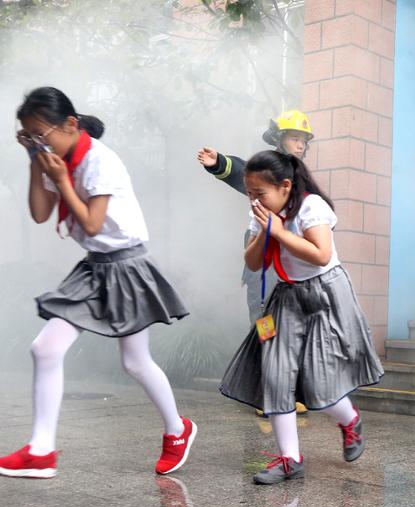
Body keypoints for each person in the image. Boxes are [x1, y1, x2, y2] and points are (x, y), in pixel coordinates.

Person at [0, 87, 195, 479]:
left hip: (129, 267)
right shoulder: (58, 160)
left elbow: (91, 222)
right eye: (30, 136)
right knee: (45, 348)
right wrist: (34, 160)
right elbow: (40, 213)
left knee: (135, 362)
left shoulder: (100, 161)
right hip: (95, 268)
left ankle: (178, 429)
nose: (39, 143)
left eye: (41, 134)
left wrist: (60, 179)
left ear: (70, 124)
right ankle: (41, 451)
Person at [219, 151, 384, 485]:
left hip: (326, 294)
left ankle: (350, 420)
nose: (254, 200)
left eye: (259, 193)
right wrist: (265, 231)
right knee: (276, 376)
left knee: (319, 383)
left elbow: (321, 255)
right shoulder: (261, 213)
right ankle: (290, 460)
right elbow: (253, 263)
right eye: (249, 193)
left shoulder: (311, 206)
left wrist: (279, 232)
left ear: (284, 186)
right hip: (287, 295)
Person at [197, 109, 313, 416]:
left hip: (290, 266)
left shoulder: (299, 176)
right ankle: (265, 395)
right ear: (279, 138)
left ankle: (286, 393)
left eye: (303, 140)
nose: (300, 144)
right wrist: (219, 163)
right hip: (264, 266)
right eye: (294, 138)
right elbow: (242, 171)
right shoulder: (267, 169)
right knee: (265, 327)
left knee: (291, 331)